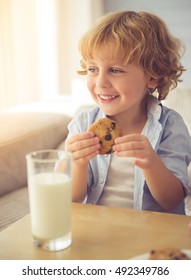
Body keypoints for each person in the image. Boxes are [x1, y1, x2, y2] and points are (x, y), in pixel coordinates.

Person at [65, 11, 191, 214]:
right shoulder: (83, 124)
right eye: (93, 69)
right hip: (99, 228)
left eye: (115, 70)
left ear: (152, 77)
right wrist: (78, 163)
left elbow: (172, 200)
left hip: (152, 232)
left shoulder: (171, 126)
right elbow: (71, 199)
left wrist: (151, 162)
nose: (100, 83)